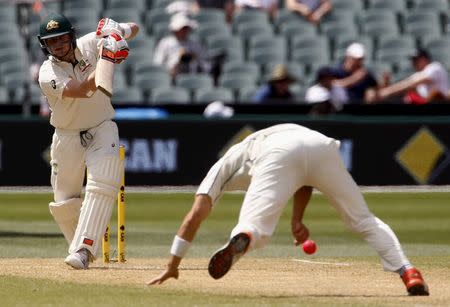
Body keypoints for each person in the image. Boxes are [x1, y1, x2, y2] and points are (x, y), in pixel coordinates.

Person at [148, 123, 429, 296]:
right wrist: (297, 219)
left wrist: (173, 266)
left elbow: (194, 215)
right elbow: (304, 178)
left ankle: (244, 237)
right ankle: (408, 270)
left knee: (253, 227)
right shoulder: (245, 153)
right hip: (320, 145)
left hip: (277, 152)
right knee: (363, 219)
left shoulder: (223, 167)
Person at [37, 12, 139, 269]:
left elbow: (135, 28)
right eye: (52, 42)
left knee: (103, 182)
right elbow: (82, 91)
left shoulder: (90, 43)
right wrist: (108, 59)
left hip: (102, 127)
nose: (58, 45)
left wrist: (117, 33)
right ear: (45, 45)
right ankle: (80, 248)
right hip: (66, 136)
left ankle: (84, 250)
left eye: (62, 38)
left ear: (72, 36)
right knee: (63, 203)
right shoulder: (47, 72)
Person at [371, 48, 449, 104]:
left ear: (425, 59)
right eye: (413, 60)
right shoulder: (420, 73)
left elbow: (411, 83)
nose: (413, 63)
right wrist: (386, 87)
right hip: (428, 107)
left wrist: (387, 91)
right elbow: (405, 85)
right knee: (408, 97)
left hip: (442, 104)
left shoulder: (434, 67)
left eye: (416, 60)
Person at [153, 13, 210, 79]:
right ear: (175, 30)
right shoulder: (165, 43)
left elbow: (204, 62)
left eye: (186, 28)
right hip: (170, 77)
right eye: (182, 29)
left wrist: (194, 58)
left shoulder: (195, 44)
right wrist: (169, 70)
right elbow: (158, 63)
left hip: (191, 75)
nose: (184, 31)